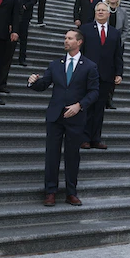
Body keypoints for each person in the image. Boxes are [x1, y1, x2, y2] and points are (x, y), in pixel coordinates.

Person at [28, 29, 99, 207]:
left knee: (72, 155)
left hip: (75, 118)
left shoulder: (90, 66)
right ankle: (50, 191)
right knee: (51, 155)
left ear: (79, 42)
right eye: (65, 38)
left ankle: (71, 192)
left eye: (69, 38)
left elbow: (94, 92)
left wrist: (79, 106)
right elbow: (43, 85)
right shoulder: (55, 64)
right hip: (55, 116)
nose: (65, 41)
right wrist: (33, 81)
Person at [80, 2, 123, 150]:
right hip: (88, 74)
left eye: (103, 10)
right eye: (98, 10)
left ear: (108, 13)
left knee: (100, 108)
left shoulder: (115, 33)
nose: (100, 12)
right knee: (87, 107)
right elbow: (80, 52)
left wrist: (119, 73)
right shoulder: (85, 29)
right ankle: (84, 138)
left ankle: (95, 138)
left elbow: (118, 55)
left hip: (106, 75)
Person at [13, 0, 37, 67]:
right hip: (13, 13)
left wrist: (25, 6)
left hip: (25, 14)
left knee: (23, 37)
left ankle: (22, 58)